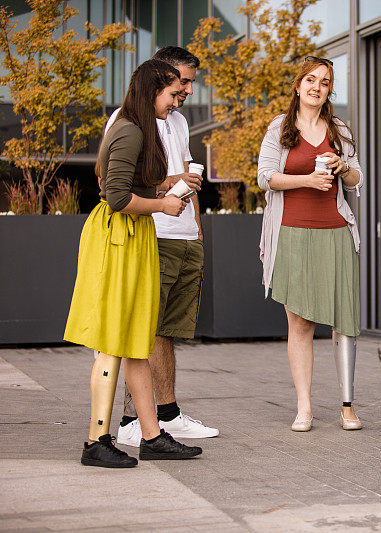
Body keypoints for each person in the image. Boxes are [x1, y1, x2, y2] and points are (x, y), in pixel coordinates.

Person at [64, 59, 202, 468]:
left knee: (135, 341)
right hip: (118, 238)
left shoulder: (142, 129)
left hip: (135, 236)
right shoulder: (127, 128)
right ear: (151, 91)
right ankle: (96, 442)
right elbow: (117, 196)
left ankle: (152, 435)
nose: (178, 100)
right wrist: (166, 203)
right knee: (114, 340)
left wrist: (165, 183)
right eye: (173, 94)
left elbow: (133, 179)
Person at [105, 47, 219, 447]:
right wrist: (165, 191)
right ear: (158, 77)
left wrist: (197, 227)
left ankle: (167, 414)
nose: (186, 91)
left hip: (184, 235)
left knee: (166, 331)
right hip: (153, 233)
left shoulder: (179, 120)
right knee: (144, 329)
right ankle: (133, 419)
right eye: (181, 83)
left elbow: (188, 174)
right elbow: (115, 185)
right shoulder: (127, 121)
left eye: (189, 83)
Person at [257, 56, 364, 432]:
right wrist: (306, 181)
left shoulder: (339, 129)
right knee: (300, 323)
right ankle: (304, 407)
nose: (317, 86)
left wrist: (341, 167)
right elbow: (266, 178)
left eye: (324, 81)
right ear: (298, 85)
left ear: (328, 90)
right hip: (292, 233)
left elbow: (356, 180)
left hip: (335, 232)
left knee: (345, 319)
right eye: (310, 79)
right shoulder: (279, 128)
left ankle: (347, 406)